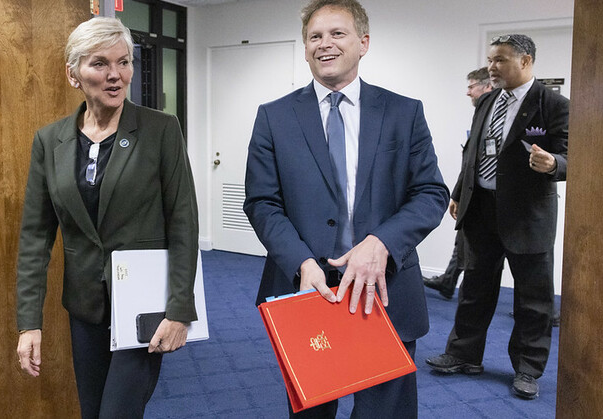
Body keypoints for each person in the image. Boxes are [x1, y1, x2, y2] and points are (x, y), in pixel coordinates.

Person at [243, 0, 449, 417]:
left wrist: (382, 242)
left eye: (337, 34)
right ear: (304, 48)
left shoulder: (403, 112)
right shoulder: (274, 117)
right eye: (314, 37)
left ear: (363, 42)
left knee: (384, 411)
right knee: (311, 411)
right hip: (306, 288)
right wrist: (301, 261)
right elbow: (262, 202)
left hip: (383, 287)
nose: (325, 44)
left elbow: (431, 193)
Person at [15, 17, 199, 418]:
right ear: (73, 75)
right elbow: (34, 237)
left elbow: (183, 222)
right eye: (100, 64)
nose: (116, 75)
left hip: (144, 302)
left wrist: (180, 308)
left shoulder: (161, 130)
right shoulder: (51, 141)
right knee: (93, 411)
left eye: (124, 62)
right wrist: (29, 323)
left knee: (118, 413)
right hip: (86, 307)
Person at [426, 34, 569, 400]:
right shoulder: (487, 100)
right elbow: (473, 151)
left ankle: (527, 369)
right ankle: (463, 355)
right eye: (490, 59)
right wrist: (460, 193)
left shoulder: (552, 104)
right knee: (474, 289)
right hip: (482, 210)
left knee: (533, 300)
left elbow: (573, 156)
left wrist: (554, 163)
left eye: (500, 60)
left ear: (525, 61)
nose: (492, 67)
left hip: (527, 216)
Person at [423, 67, 493, 299]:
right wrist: (457, 195)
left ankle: (539, 304)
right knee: (463, 238)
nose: (468, 92)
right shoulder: (481, 114)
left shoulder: (496, 115)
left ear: (487, 87)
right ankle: (448, 281)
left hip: (494, 199)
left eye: (472, 86)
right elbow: (471, 160)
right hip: (472, 194)